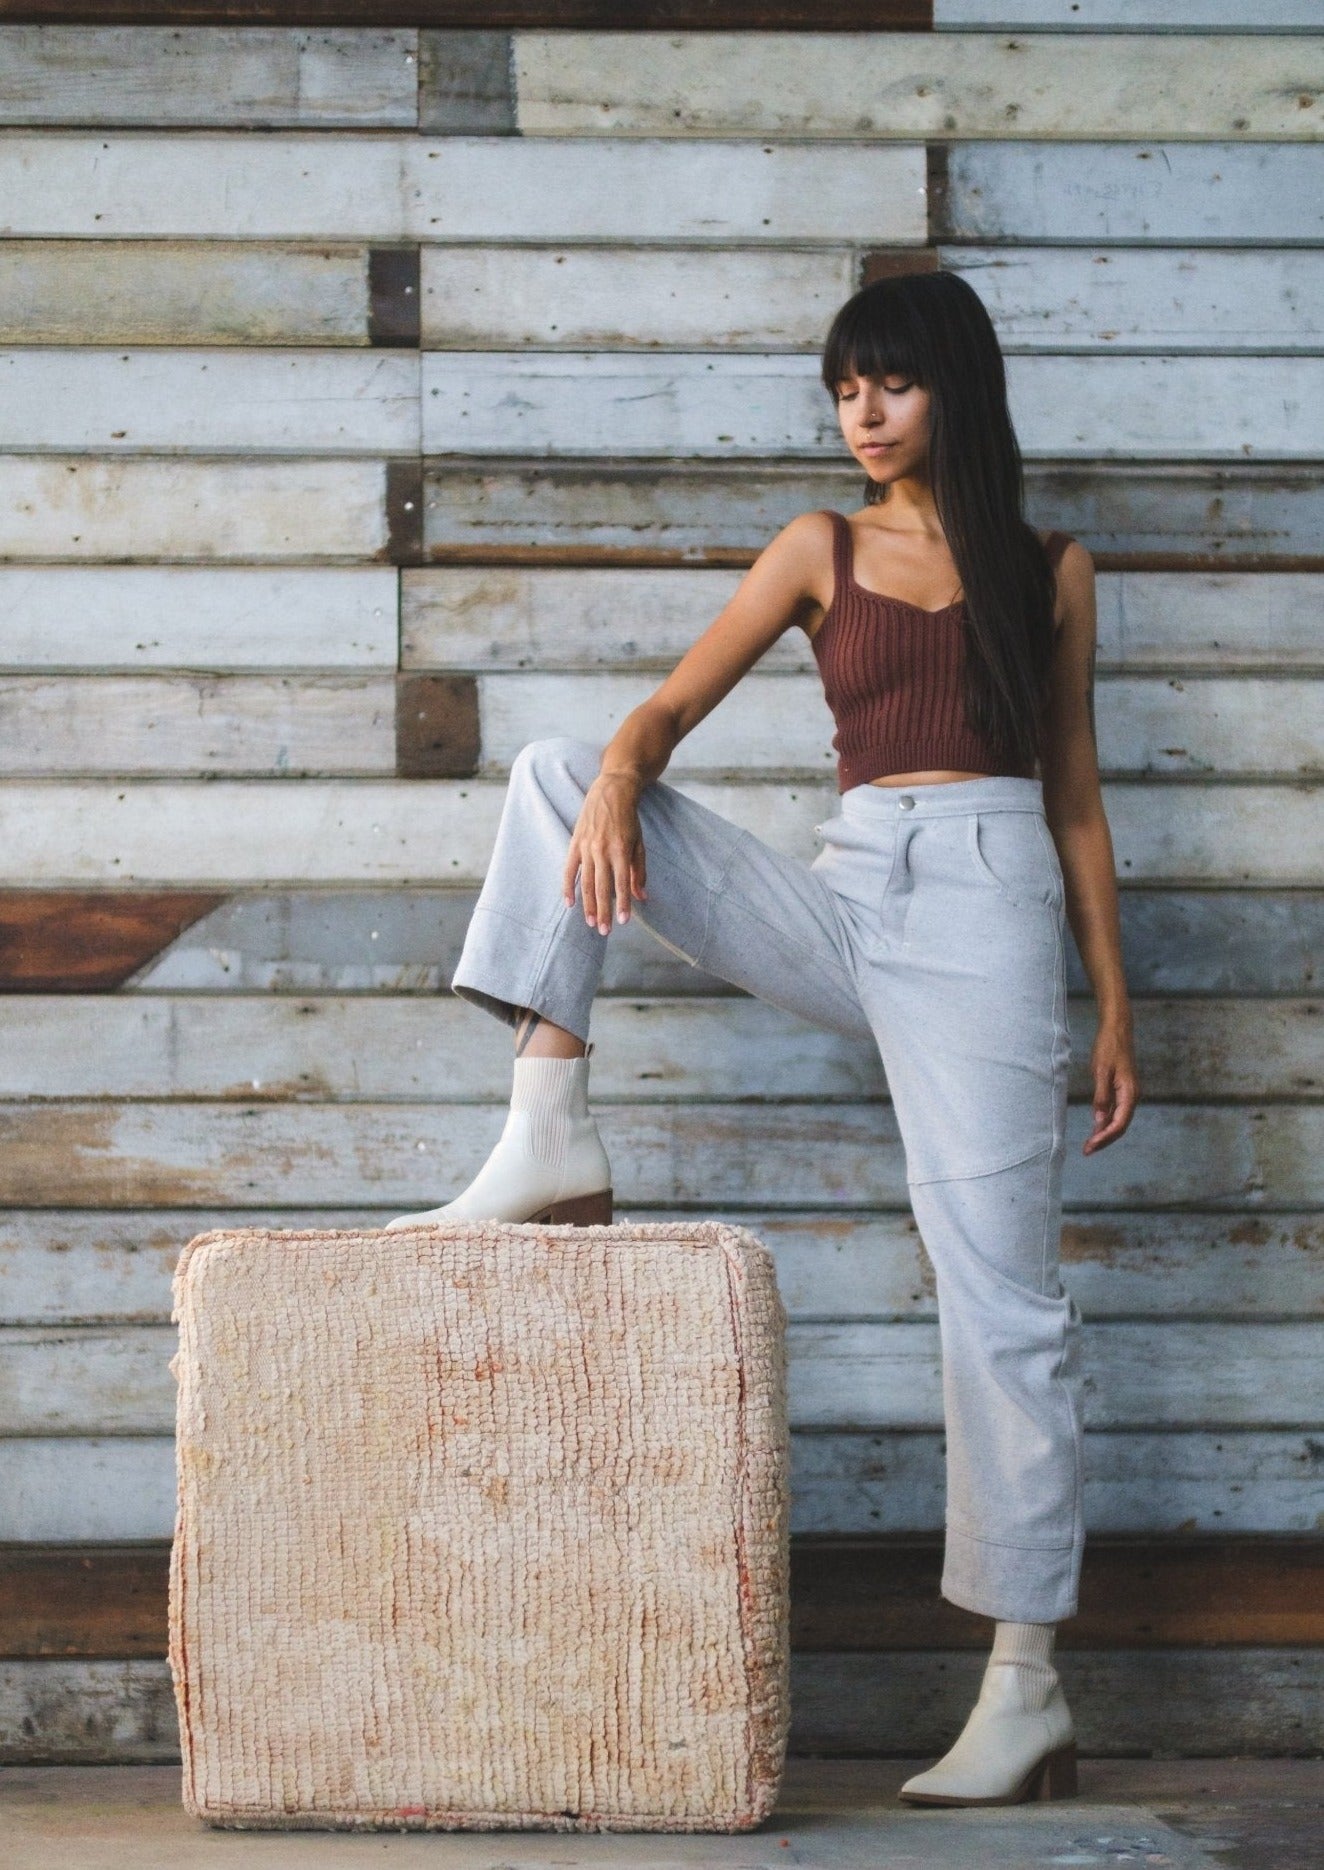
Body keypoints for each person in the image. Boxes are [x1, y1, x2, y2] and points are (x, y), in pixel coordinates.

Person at [387, 271, 1139, 1807]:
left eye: (889, 385)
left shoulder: (1051, 568)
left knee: (1000, 1295)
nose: (861, 415)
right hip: (853, 887)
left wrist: (1115, 998)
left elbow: (1071, 786)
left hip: (993, 921)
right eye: (843, 390)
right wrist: (619, 772)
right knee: (548, 773)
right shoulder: (821, 546)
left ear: (955, 389)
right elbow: (668, 708)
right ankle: (550, 1128)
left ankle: (1026, 1686)